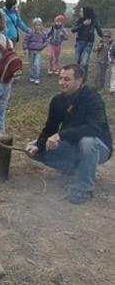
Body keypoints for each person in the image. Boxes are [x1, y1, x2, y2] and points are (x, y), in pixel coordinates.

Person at [25, 64, 112, 205]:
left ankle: (84, 188)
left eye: (67, 79)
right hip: (72, 145)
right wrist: (40, 145)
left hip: (99, 147)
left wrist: (61, 135)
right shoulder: (58, 101)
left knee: (87, 142)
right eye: (60, 78)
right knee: (31, 147)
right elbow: (50, 128)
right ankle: (76, 168)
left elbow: (93, 128)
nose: (61, 82)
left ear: (79, 80)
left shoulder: (92, 98)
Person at [71, 6, 103, 78]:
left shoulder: (94, 21)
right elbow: (73, 30)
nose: (80, 13)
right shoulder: (79, 20)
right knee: (76, 62)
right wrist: (83, 24)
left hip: (88, 44)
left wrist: (105, 38)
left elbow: (100, 32)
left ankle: (83, 78)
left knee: (84, 63)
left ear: (86, 13)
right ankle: (77, 77)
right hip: (79, 43)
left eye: (81, 11)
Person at [23, 17, 48, 84]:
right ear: (33, 25)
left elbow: (46, 41)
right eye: (36, 25)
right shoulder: (30, 32)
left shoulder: (43, 33)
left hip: (38, 51)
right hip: (31, 51)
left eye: (39, 25)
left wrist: (42, 46)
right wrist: (25, 48)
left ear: (41, 25)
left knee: (36, 64)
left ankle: (37, 77)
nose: (37, 26)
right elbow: (26, 41)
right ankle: (32, 76)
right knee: (31, 65)